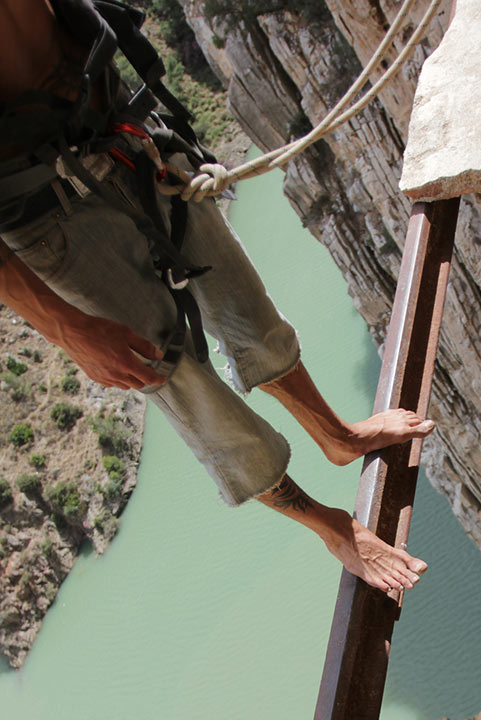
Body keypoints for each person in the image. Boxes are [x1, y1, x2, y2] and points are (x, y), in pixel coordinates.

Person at [0, 0, 433, 594]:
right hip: (54, 219)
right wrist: (66, 327)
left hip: (128, 141)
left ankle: (337, 436)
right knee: (176, 378)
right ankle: (329, 525)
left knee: (247, 309)